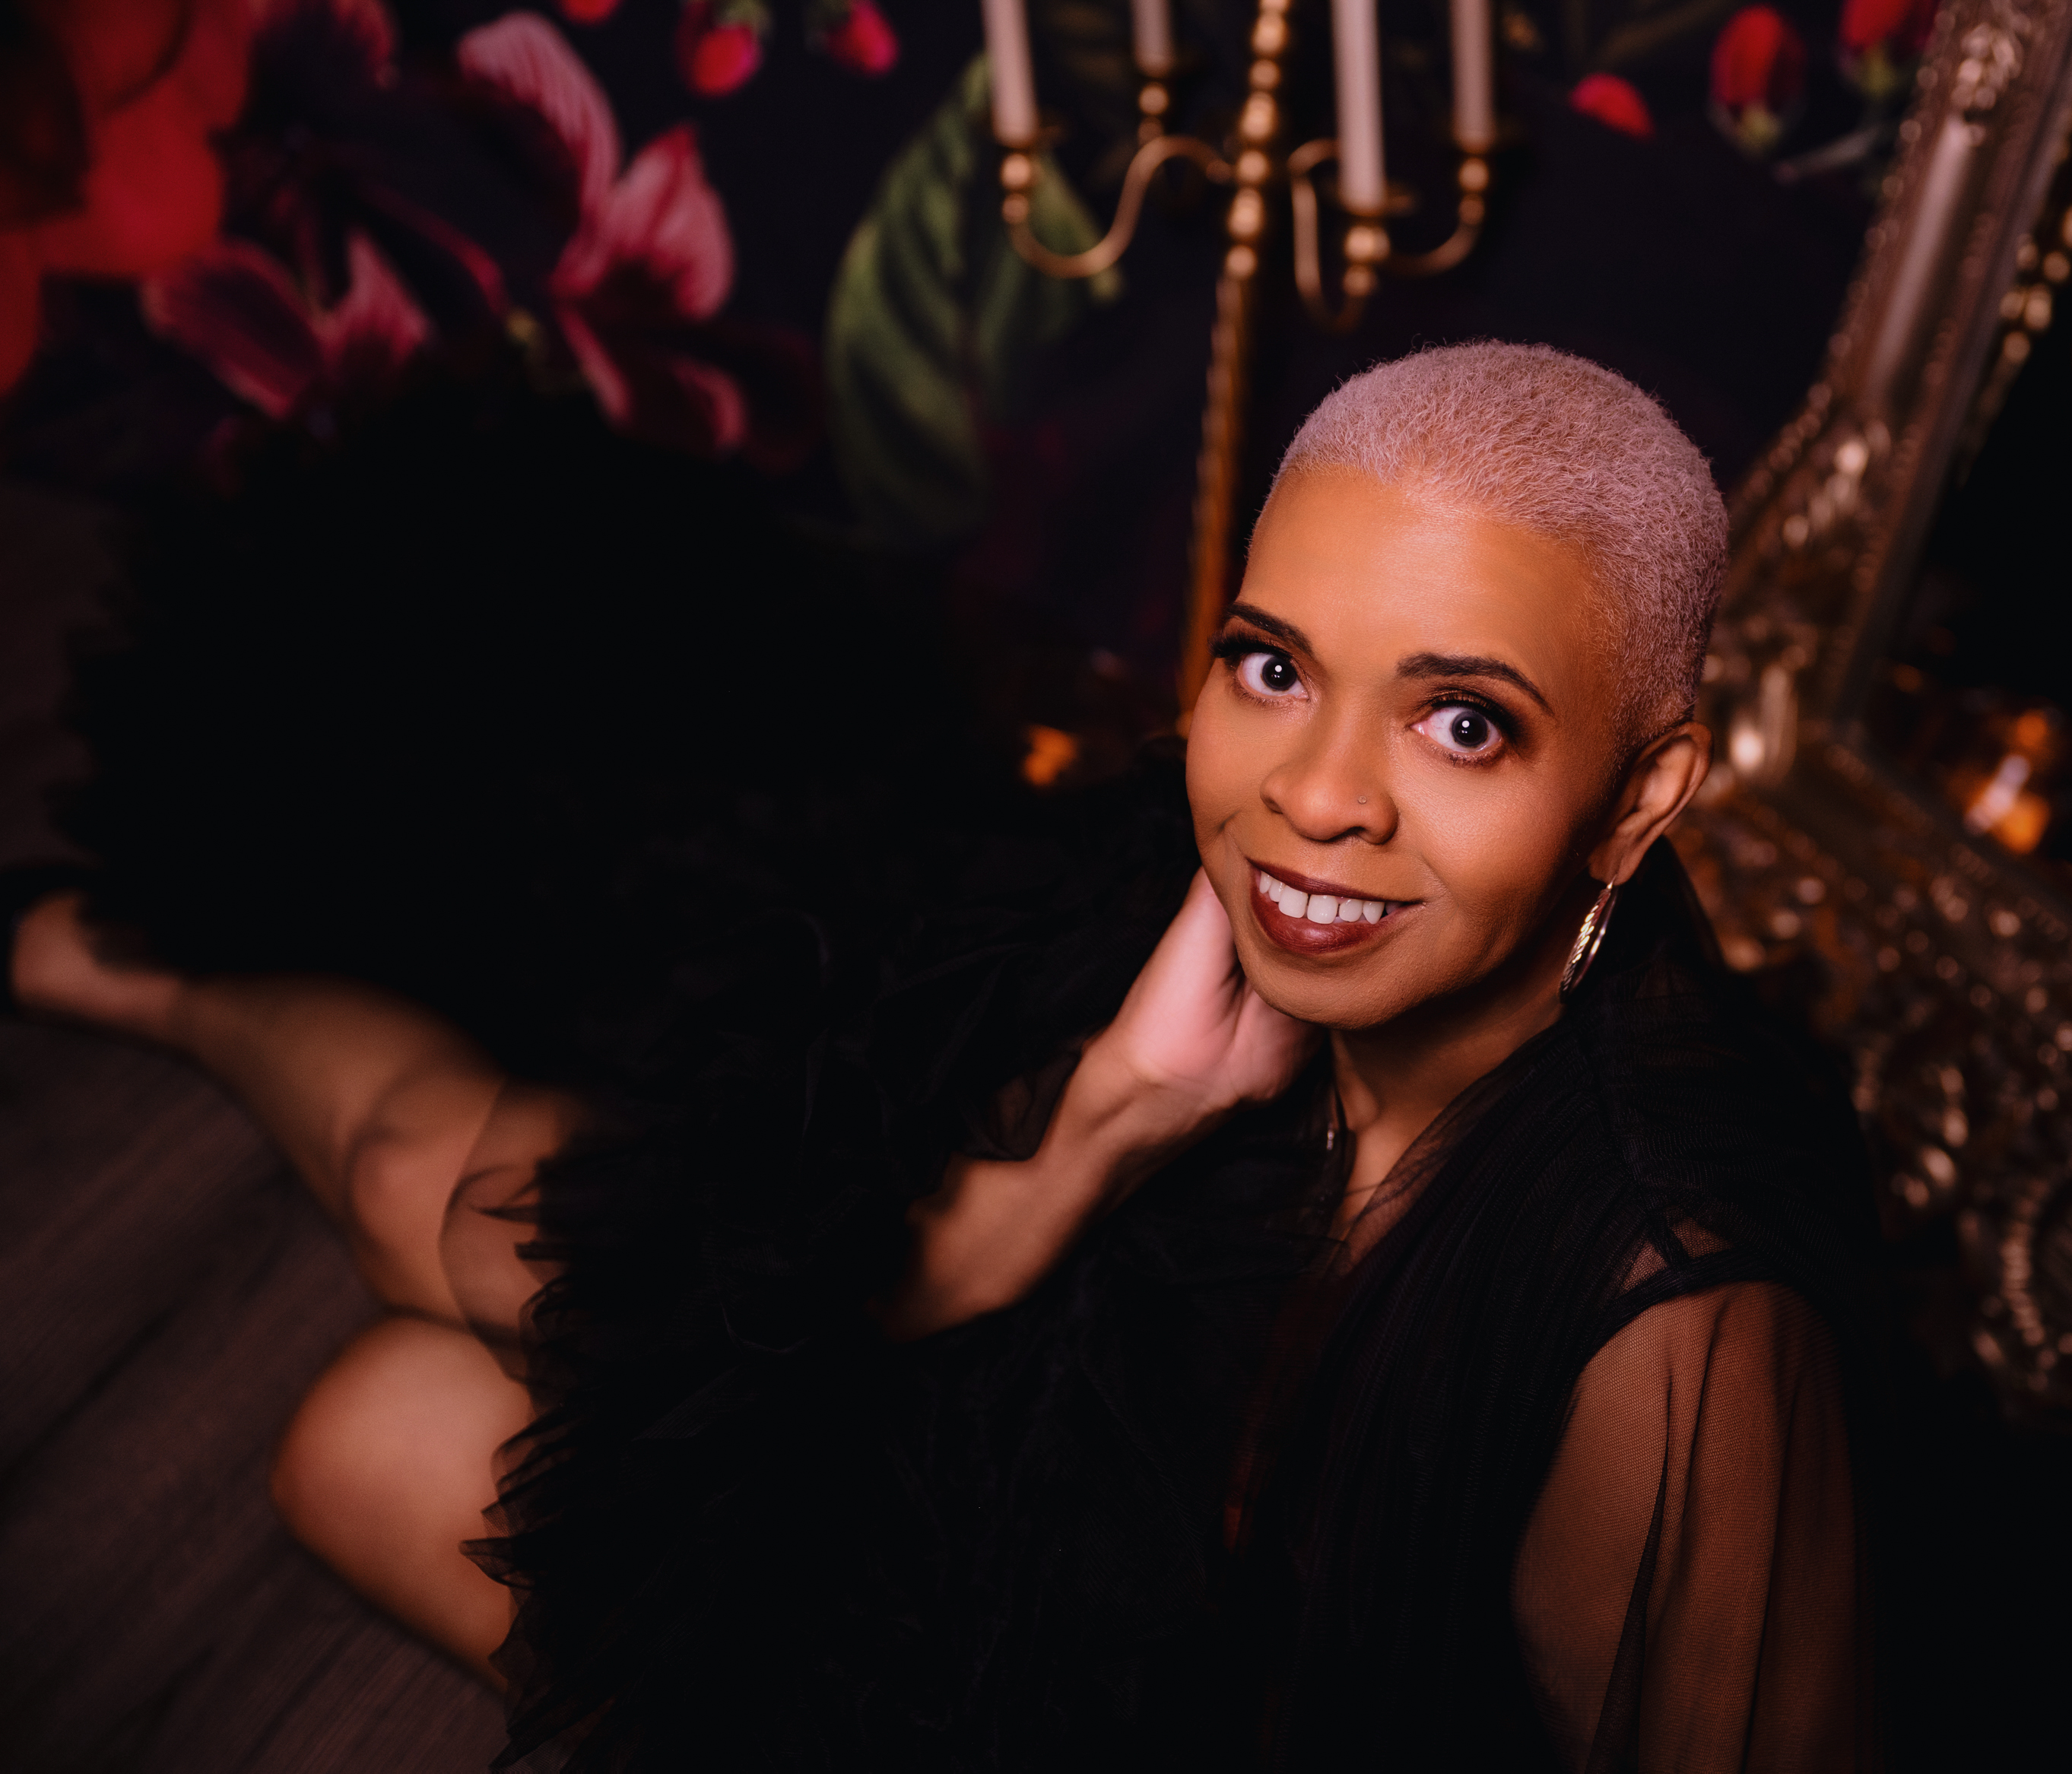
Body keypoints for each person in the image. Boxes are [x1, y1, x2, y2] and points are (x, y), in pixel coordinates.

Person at [9, 342, 1871, 1771]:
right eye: (1272, 666)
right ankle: (133, 965)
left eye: (1462, 724)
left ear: (1640, 800)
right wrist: (1101, 1131)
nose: (1314, 798)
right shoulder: (1207, 915)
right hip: (993, 1542)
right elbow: (870, 1279)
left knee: (374, 1428)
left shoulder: (1665, 1322)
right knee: (437, 1204)